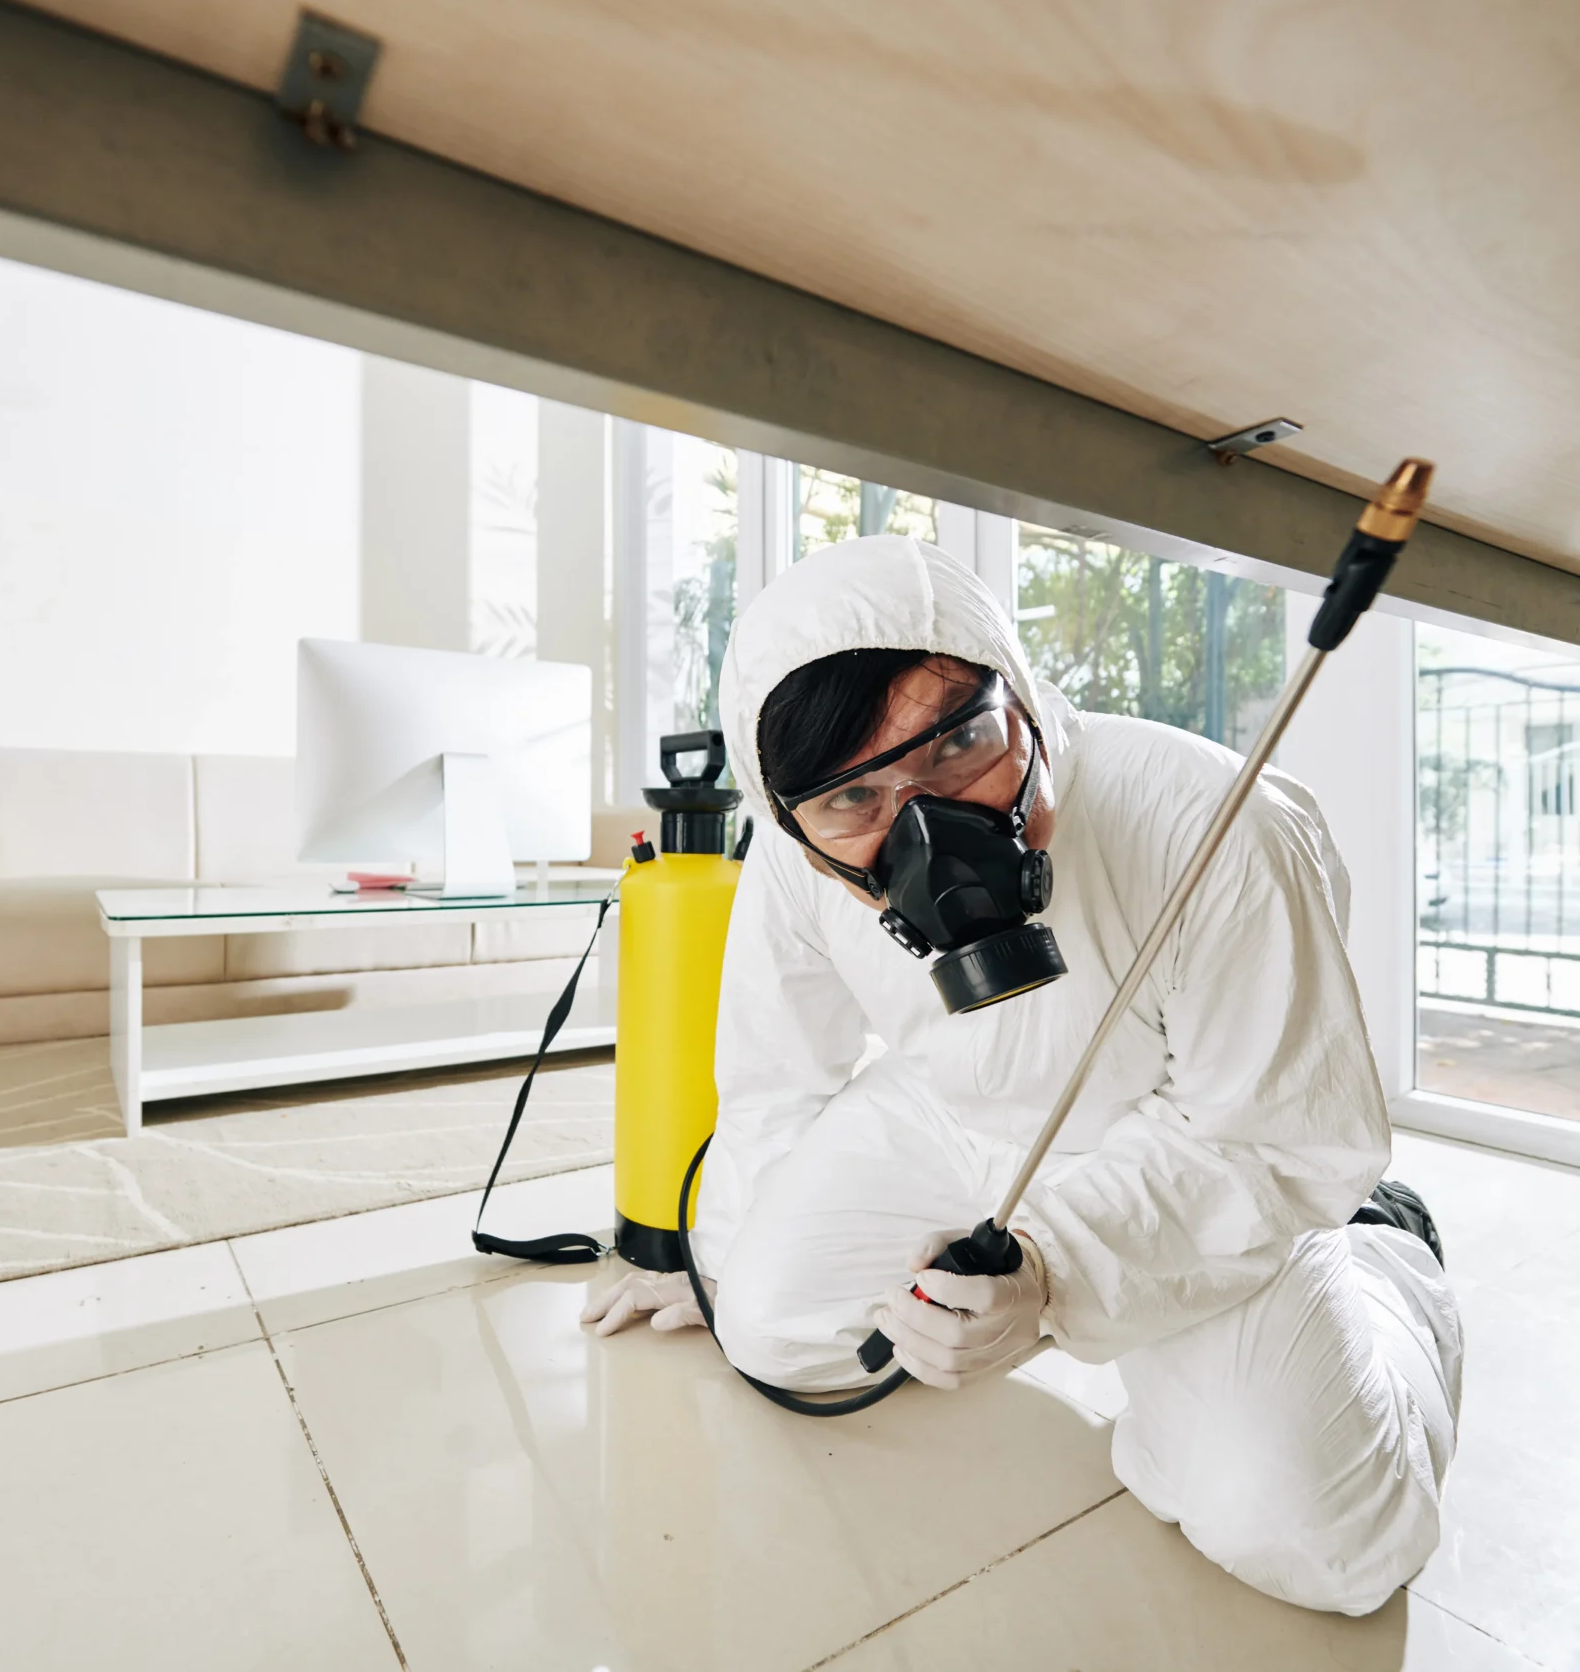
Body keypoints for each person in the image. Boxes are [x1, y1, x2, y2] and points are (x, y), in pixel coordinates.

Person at [580, 535, 1462, 1616]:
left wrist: (1057, 1270)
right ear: (796, 827)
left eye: (954, 744)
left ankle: (1382, 1260)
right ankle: (1103, 1326)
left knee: (1310, 1545)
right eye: (853, 802)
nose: (924, 828)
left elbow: (1274, 1135)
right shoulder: (787, 863)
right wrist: (716, 1267)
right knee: (771, 1338)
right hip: (945, 1111)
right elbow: (776, 1086)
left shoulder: (1215, 823)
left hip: (1179, 1134)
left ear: (1025, 702)